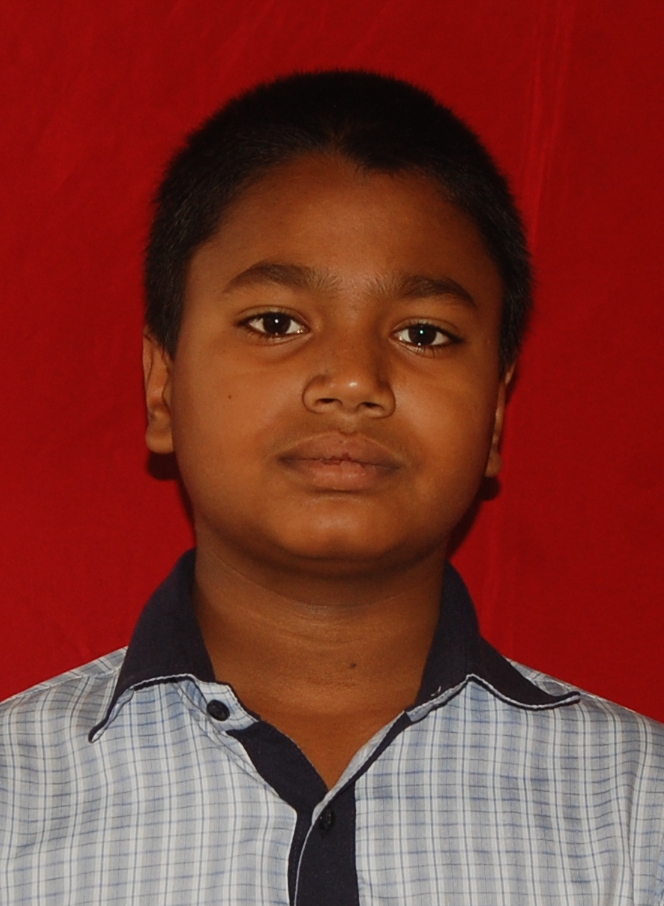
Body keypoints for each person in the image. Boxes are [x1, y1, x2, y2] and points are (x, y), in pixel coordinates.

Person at [1, 69, 662, 906]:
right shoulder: (15, 798)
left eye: (424, 333)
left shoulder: (638, 812)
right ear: (162, 386)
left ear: (496, 415)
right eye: (277, 322)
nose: (352, 380)